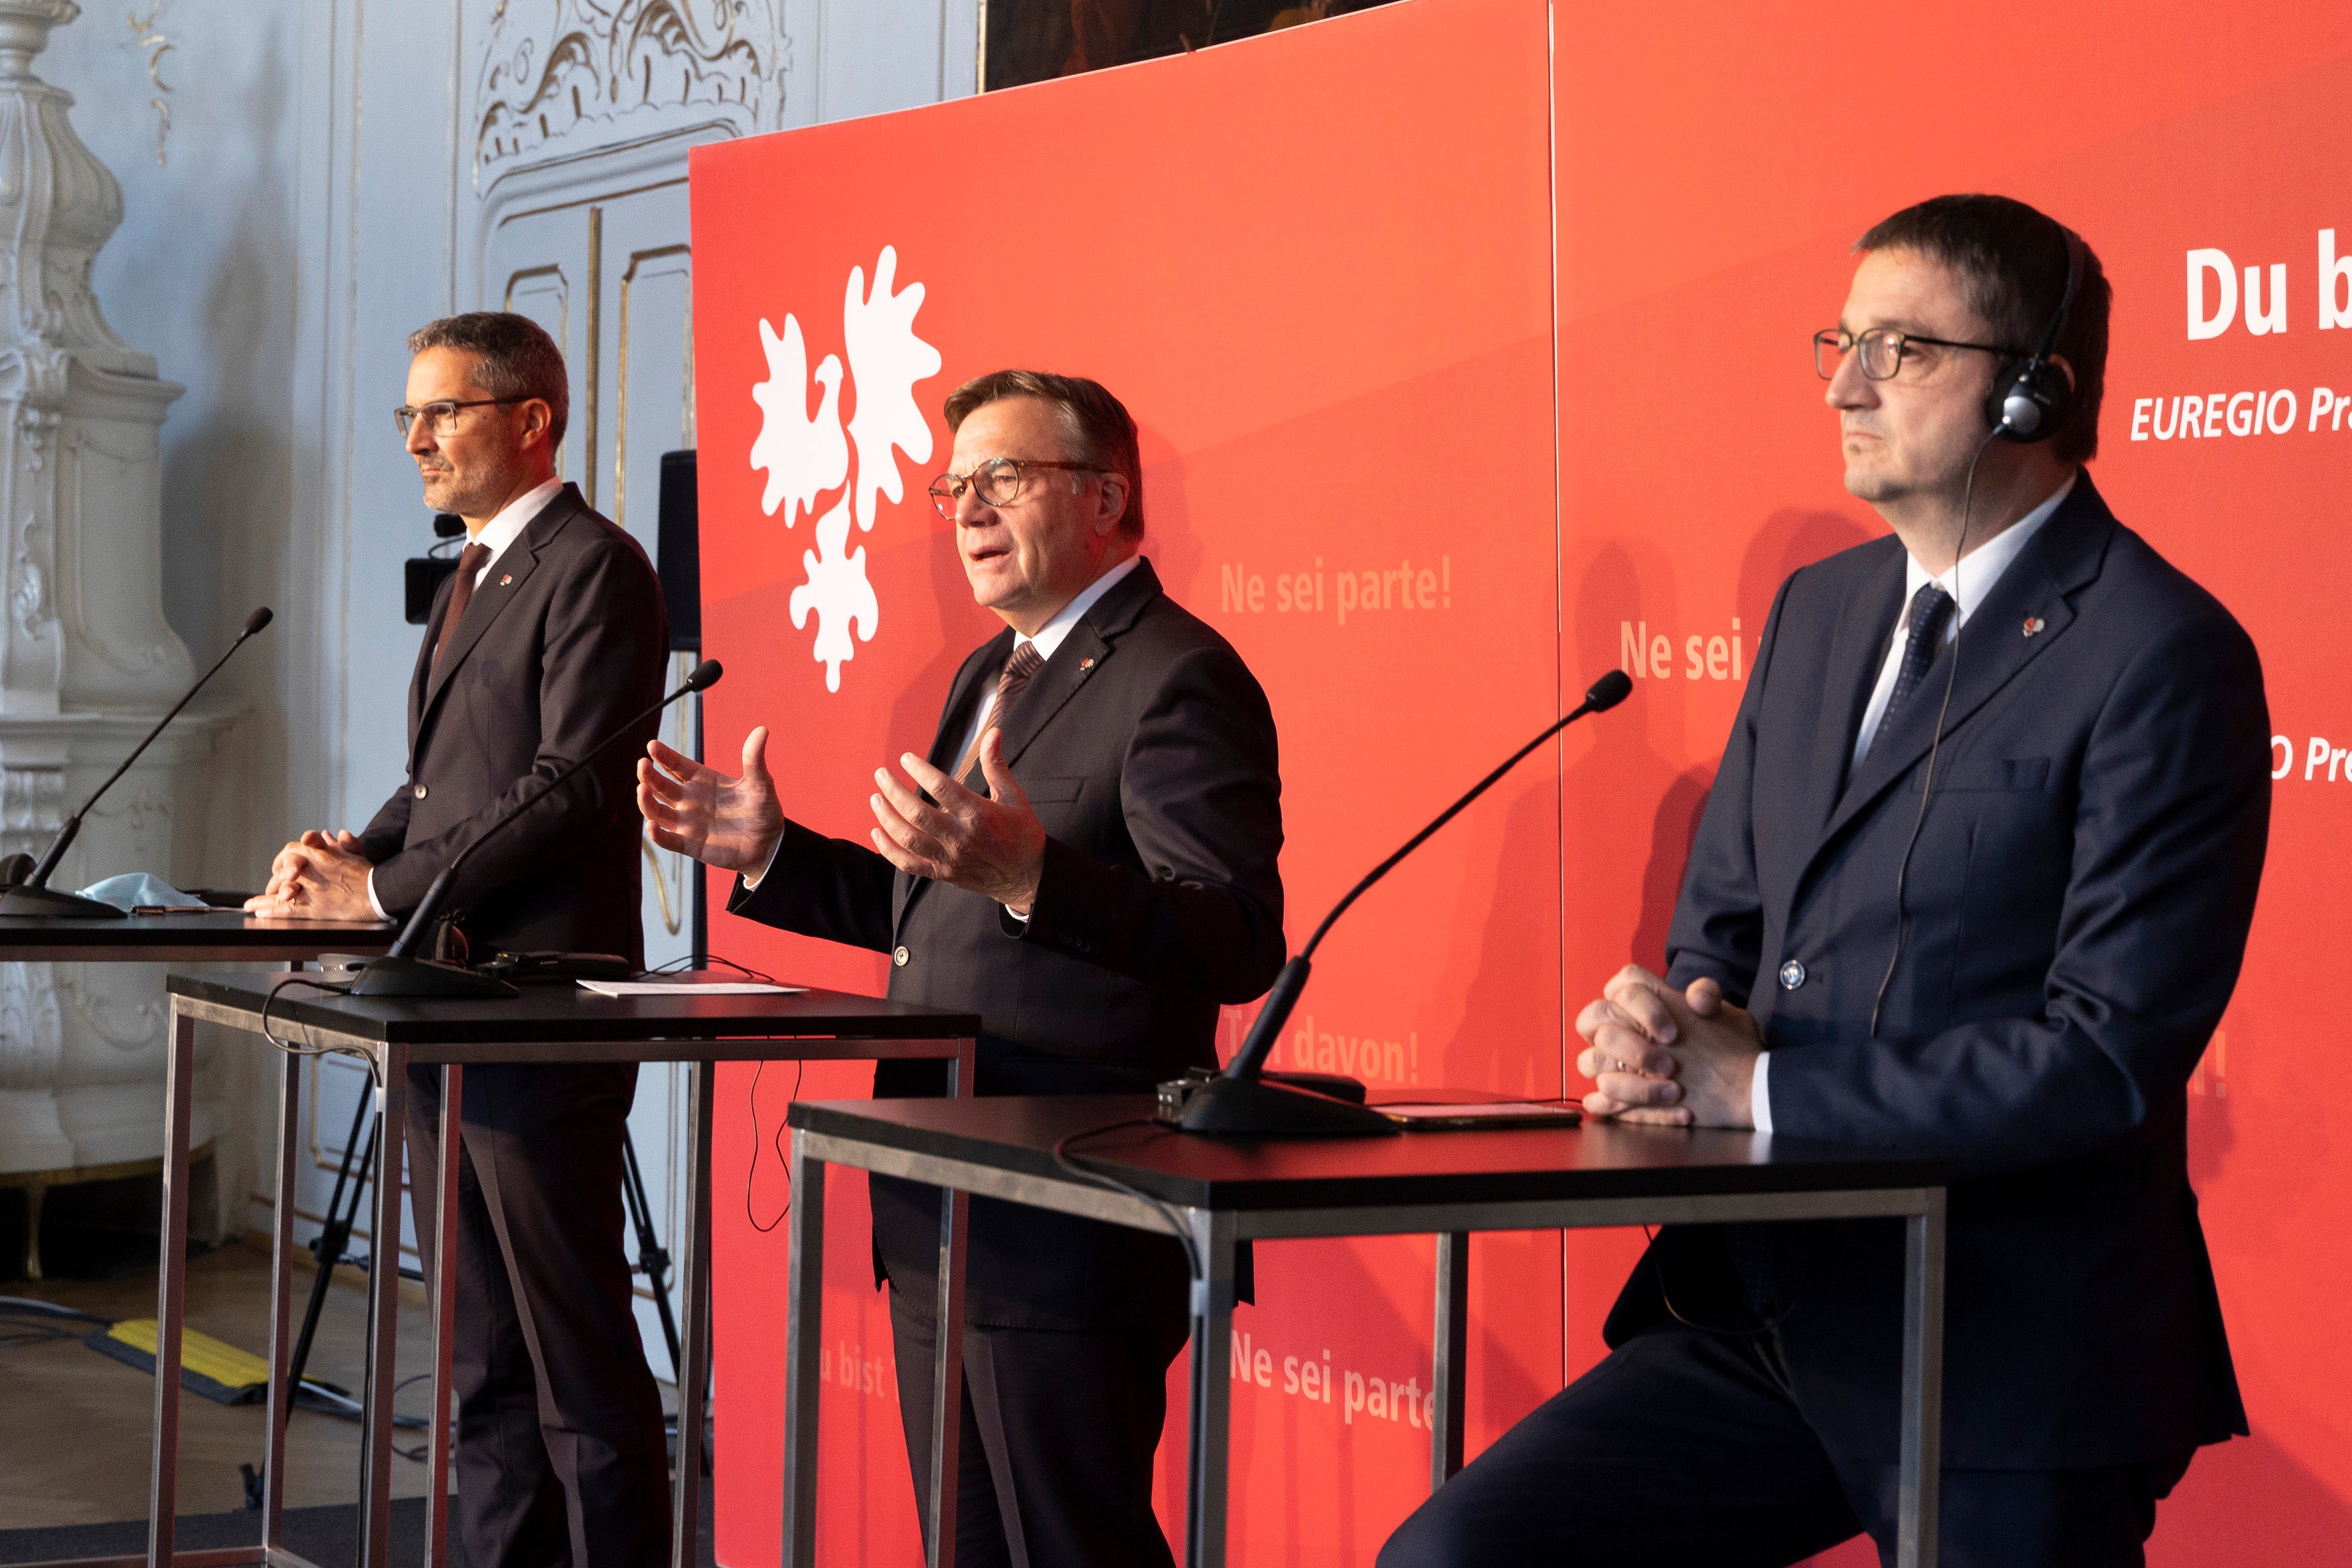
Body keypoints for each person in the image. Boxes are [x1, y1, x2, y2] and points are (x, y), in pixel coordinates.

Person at [1382, 195, 2268, 1567]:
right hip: (1769, 1317)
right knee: (1452, 1552)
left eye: (1900, 348)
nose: (1846, 384)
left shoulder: (2159, 650)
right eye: (1838, 342)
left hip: (2004, 1343)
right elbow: (1721, 926)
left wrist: (1762, 1087)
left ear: (2033, 389)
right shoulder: (1820, 610)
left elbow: (2102, 1060)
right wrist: (1667, 1032)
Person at [637, 369, 1285, 1567]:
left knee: (1070, 1548)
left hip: (1068, 1218)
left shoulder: (1177, 674)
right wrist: (774, 853)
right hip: (934, 1196)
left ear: (1105, 494)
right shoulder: (990, 671)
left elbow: (1237, 936)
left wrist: (1039, 879)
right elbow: (930, 910)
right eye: (955, 487)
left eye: (1003, 477)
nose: (969, 509)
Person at [248, 312, 672, 1568]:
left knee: (572, 1357)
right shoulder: (478, 569)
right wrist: (350, 859)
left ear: (530, 420)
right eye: (409, 417)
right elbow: (442, 784)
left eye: (443, 412)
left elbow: (570, 783)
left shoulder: (597, 565)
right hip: (441, 1000)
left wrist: (377, 897)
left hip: (534, 1004)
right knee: (480, 1355)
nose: (418, 439)